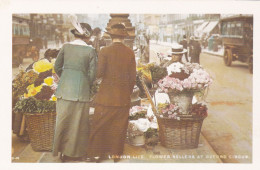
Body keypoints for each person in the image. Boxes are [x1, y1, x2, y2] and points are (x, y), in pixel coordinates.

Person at [87, 23, 136, 163]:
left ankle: (96, 154)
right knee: (119, 126)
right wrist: (127, 92)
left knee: (99, 123)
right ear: (124, 37)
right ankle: (116, 154)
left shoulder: (104, 51)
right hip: (122, 96)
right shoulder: (129, 52)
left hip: (106, 96)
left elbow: (99, 73)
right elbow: (133, 78)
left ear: (111, 36)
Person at [52, 21, 97, 162]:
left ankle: (62, 153)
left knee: (63, 122)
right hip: (81, 91)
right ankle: (78, 153)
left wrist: (66, 77)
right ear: (87, 37)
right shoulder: (90, 51)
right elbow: (92, 74)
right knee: (79, 124)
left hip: (64, 90)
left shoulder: (65, 47)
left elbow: (57, 67)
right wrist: (85, 83)